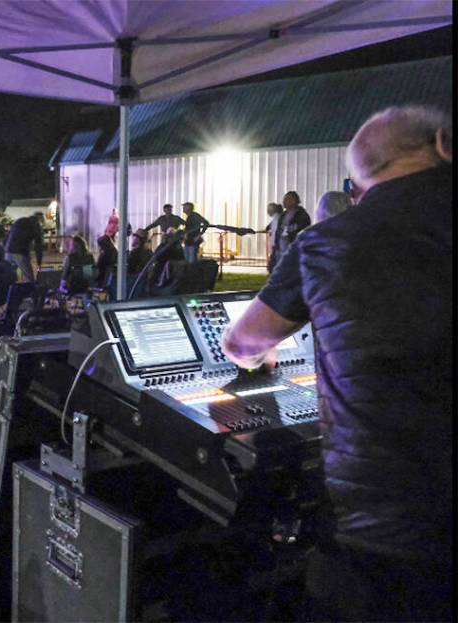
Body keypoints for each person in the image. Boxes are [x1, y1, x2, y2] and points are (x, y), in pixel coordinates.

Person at [220, 106, 452, 622]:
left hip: (378, 538)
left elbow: (241, 343)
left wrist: (261, 350)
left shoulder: (325, 243)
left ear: (358, 180)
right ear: (442, 143)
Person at [272, 191, 311, 265]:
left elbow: (303, 231)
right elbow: (278, 231)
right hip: (280, 250)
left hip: (293, 251)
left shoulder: (302, 215)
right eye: (284, 199)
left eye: (287, 199)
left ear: (294, 201)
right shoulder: (283, 215)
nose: (284, 201)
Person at [5, 211, 45, 282]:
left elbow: (9, 234)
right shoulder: (35, 225)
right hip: (20, 253)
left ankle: (8, 291)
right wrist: (39, 262)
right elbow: (38, 245)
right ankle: (27, 292)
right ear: (39, 219)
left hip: (8, 251)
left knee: (8, 276)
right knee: (29, 278)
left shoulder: (20, 220)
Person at [262, 202, 284, 272]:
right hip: (276, 244)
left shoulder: (277, 218)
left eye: (268, 210)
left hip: (277, 244)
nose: (267, 212)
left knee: (274, 265)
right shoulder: (277, 218)